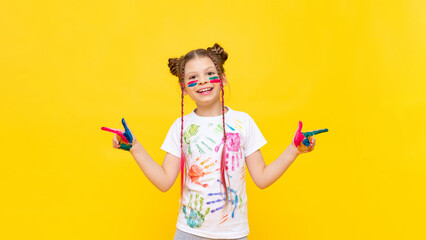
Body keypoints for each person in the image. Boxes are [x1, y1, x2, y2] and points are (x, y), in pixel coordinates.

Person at [101, 43, 325, 240]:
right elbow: (164, 181)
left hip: (234, 235)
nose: (203, 81)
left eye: (210, 73)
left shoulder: (243, 122)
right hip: (189, 233)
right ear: (184, 88)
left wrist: (294, 150)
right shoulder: (181, 126)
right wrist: (135, 148)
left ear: (223, 79)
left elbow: (262, 178)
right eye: (192, 77)